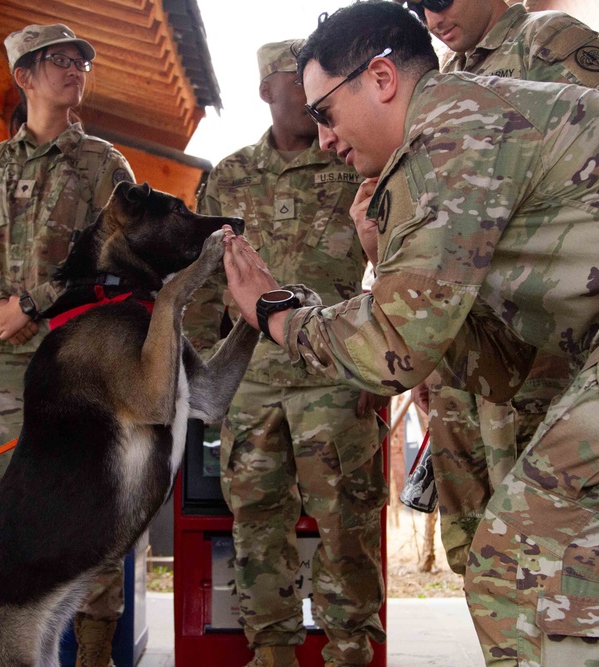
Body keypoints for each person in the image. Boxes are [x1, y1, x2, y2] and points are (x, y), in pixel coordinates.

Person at [220, 2, 599, 665]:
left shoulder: (448, 131)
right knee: (540, 564)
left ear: (381, 79)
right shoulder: (447, 133)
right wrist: (386, 251)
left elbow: (393, 350)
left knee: (527, 559)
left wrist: (275, 312)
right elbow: (503, 366)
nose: (324, 137)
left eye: (326, 111)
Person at [403, 0, 599, 575]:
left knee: (550, 545)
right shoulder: (443, 80)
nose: (429, 15)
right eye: (413, 4)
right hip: (466, 345)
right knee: (475, 545)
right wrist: (429, 352)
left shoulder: (549, 42)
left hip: (539, 343)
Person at [185, 40, 386, 667]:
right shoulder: (230, 173)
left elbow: (394, 253)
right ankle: (271, 651)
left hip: (334, 372)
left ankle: (350, 650)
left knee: (345, 527)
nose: (305, 95)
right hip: (252, 381)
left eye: (311, 83)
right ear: (265, 91)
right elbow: (200, 279)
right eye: (290, 82)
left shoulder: (355, 160)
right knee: (256, 527)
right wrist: (194, 371)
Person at [0, 24, 134, 667]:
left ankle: (94, 651)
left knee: (89, 505)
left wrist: (32, 304)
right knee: (8, 515)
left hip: (78, 361)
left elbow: (119, 257)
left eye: (83, 59)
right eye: (60, 61)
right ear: (25, 77)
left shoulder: (105, 165)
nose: (76, 69)